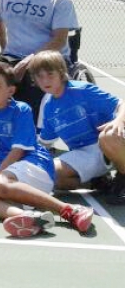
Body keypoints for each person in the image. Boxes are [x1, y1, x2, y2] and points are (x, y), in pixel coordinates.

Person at [0, 60, 94, 237]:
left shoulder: (21, 110)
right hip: (9, 179)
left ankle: (70, 211)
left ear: (11, 91)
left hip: (35, 165)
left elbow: (18, 151)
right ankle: (30, 218)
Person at [0, 0, 78, 122]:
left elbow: (59, 39)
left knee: (33, 81)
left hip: (49, 57)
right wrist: (4, 48)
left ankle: (34, 134)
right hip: (12, 55)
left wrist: (30, 59)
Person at [31, 50, 125, 195]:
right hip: (84, 154)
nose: (45, 81)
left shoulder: (82, 90)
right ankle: (99, 182)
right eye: (40, 76)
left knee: (108, 136)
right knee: (49, 174)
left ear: (61, 73)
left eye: (50, 74)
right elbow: (44, 143)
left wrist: (119, 120)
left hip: (110, 144)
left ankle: (123, 180)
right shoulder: (49, 107)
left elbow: (122, 104)